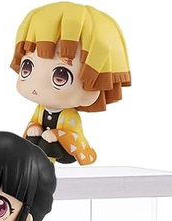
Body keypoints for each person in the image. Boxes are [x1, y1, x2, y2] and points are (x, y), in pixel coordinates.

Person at [11, 3, 130, 165]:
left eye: (61, 76)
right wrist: (34, 127)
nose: (37, 86)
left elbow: (73, 134)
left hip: (65, 149)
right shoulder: (40, 110)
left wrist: (56, 135)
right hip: (41, 146)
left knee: (48, 146)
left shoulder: (69, 116)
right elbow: (35, 122)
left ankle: (46, 165)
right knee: (31, 142)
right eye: (27, 67)